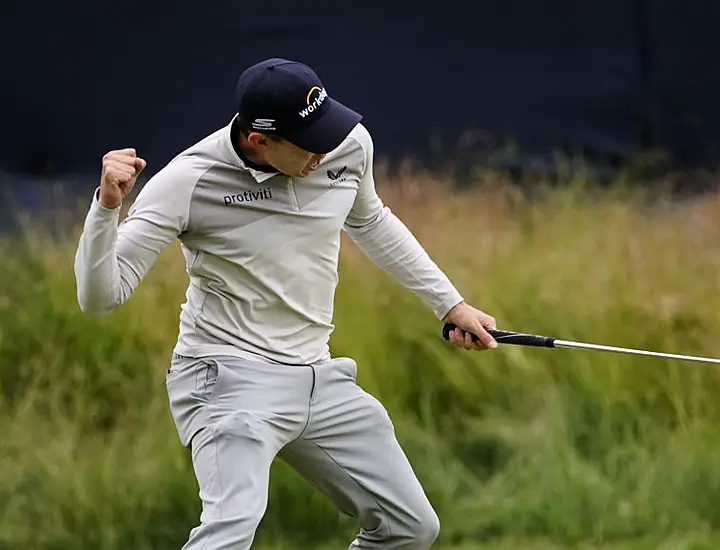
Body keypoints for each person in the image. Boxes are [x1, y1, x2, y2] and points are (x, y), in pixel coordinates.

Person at [73, 57, 499, 550]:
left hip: (317, 378)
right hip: (227, 379)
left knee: (410, 527)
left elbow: (371, 221)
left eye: (328, 129)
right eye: (310, 143)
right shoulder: (187, 181)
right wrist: (107, 209)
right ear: (260, 141)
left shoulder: (347, 145)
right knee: (229, 531)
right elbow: (100, 297)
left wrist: (450, 304)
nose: (326, 151)